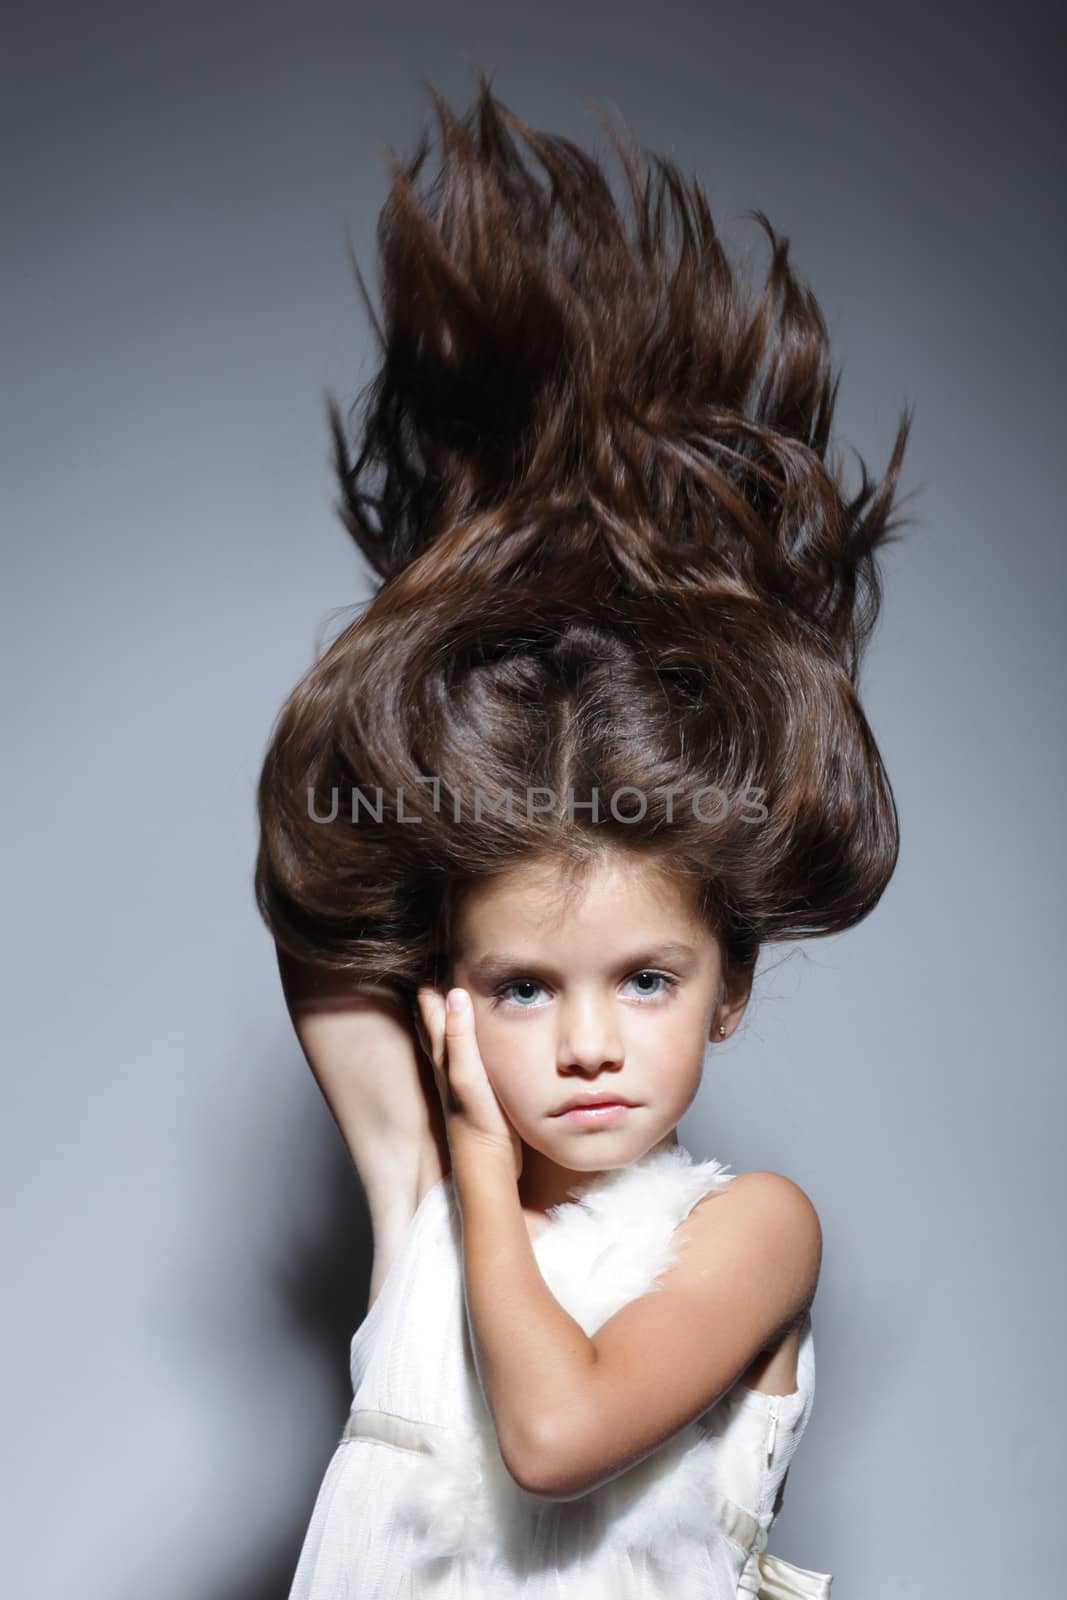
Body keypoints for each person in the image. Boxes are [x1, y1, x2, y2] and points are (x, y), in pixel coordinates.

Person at [254, 73, 914, 1599]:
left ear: (731, 984)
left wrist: (480, 1159)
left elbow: (554, 1435)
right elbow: (318, 881)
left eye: (648, 979)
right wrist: (471, 600)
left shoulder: (749, 1232)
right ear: (448, 998)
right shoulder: (422, 1198)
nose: (590, 1044)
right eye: (524, 990)